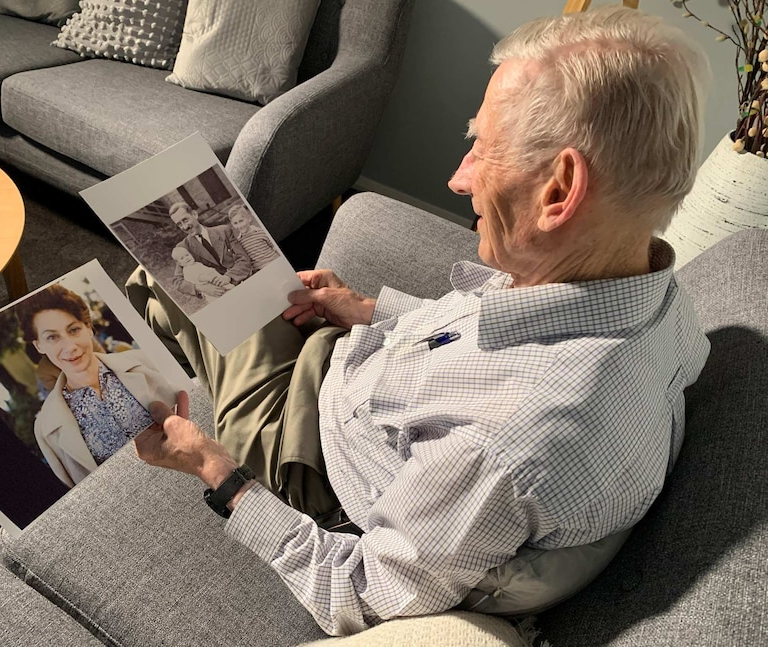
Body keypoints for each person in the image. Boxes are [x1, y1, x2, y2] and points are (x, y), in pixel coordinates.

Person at [126, 7, 711, 636]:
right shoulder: (649, 295)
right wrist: (369, 311)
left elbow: (355, 591)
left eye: (483, 147)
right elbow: (492, 335)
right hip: (355, 369)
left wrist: (216, 472)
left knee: (162, 262)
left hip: (304, 451)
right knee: (205, 252)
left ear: (559, 190)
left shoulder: (508, 446)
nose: (458, 177)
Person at [15, 284, 176, 487]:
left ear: (88, 328)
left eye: (73, 330)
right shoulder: (45, 429)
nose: (69, 346)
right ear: (39, 345)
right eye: (52, 337)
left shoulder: (146, 361)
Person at [168, 201, 251, 296]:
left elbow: (243, 259)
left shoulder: (224, 231)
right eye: (179, 224)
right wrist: (202, 288)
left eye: (185, 220)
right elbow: (177, 282)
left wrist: (228, 277)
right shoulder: (183, 248)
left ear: (194, 214)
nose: (185, 227)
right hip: (218, 295)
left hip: (241, 283)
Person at [227, 204, 280, 272]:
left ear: (249, 218)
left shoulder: (261, 232)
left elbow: (275, 248)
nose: (239, 226)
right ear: (232, 225)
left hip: (275, 263)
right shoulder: (239, 242)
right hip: (261, 271)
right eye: (235, 223)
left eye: (241, 221)